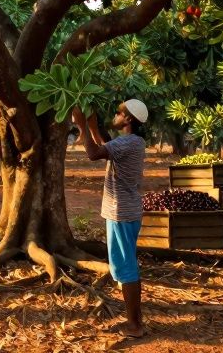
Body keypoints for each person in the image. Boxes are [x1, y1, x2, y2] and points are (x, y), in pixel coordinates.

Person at [72, 98, 147, 339]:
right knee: (126, 266)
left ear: (128, 119)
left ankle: (135, 325)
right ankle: (135, 321)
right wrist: (93, 127)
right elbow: (107, 146)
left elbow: (95, 153)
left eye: (118, 113)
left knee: (126, 269)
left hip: (121, 213)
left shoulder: (127, 143)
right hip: (125, 211)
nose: (114, 116)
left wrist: (83, 126)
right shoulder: (133, 143)